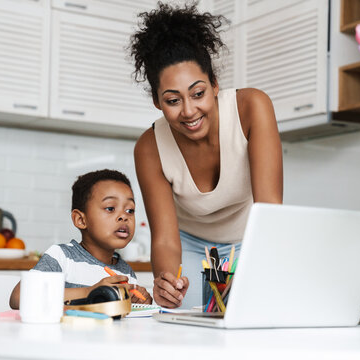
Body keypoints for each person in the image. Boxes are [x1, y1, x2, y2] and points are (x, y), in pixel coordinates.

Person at [129, 2, 283, 309]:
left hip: (248, 243)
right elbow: (165, 239)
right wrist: (166, 282)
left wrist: (261, 266)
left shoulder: (251, 108)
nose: (188, 111)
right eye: (173, 100)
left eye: (198, 93)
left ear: (214, 84)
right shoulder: (149, 148)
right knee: (183, 330)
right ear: (158, 102)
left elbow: (269, 209)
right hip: (189, 249)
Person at [9, 169, 152, 309]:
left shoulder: (126, 272)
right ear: (80, 220)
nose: (124, 216)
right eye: (110, 208)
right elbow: (19, 297)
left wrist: (141, 301)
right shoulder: (62, 257)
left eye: (130, 210)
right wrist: (91, 292)